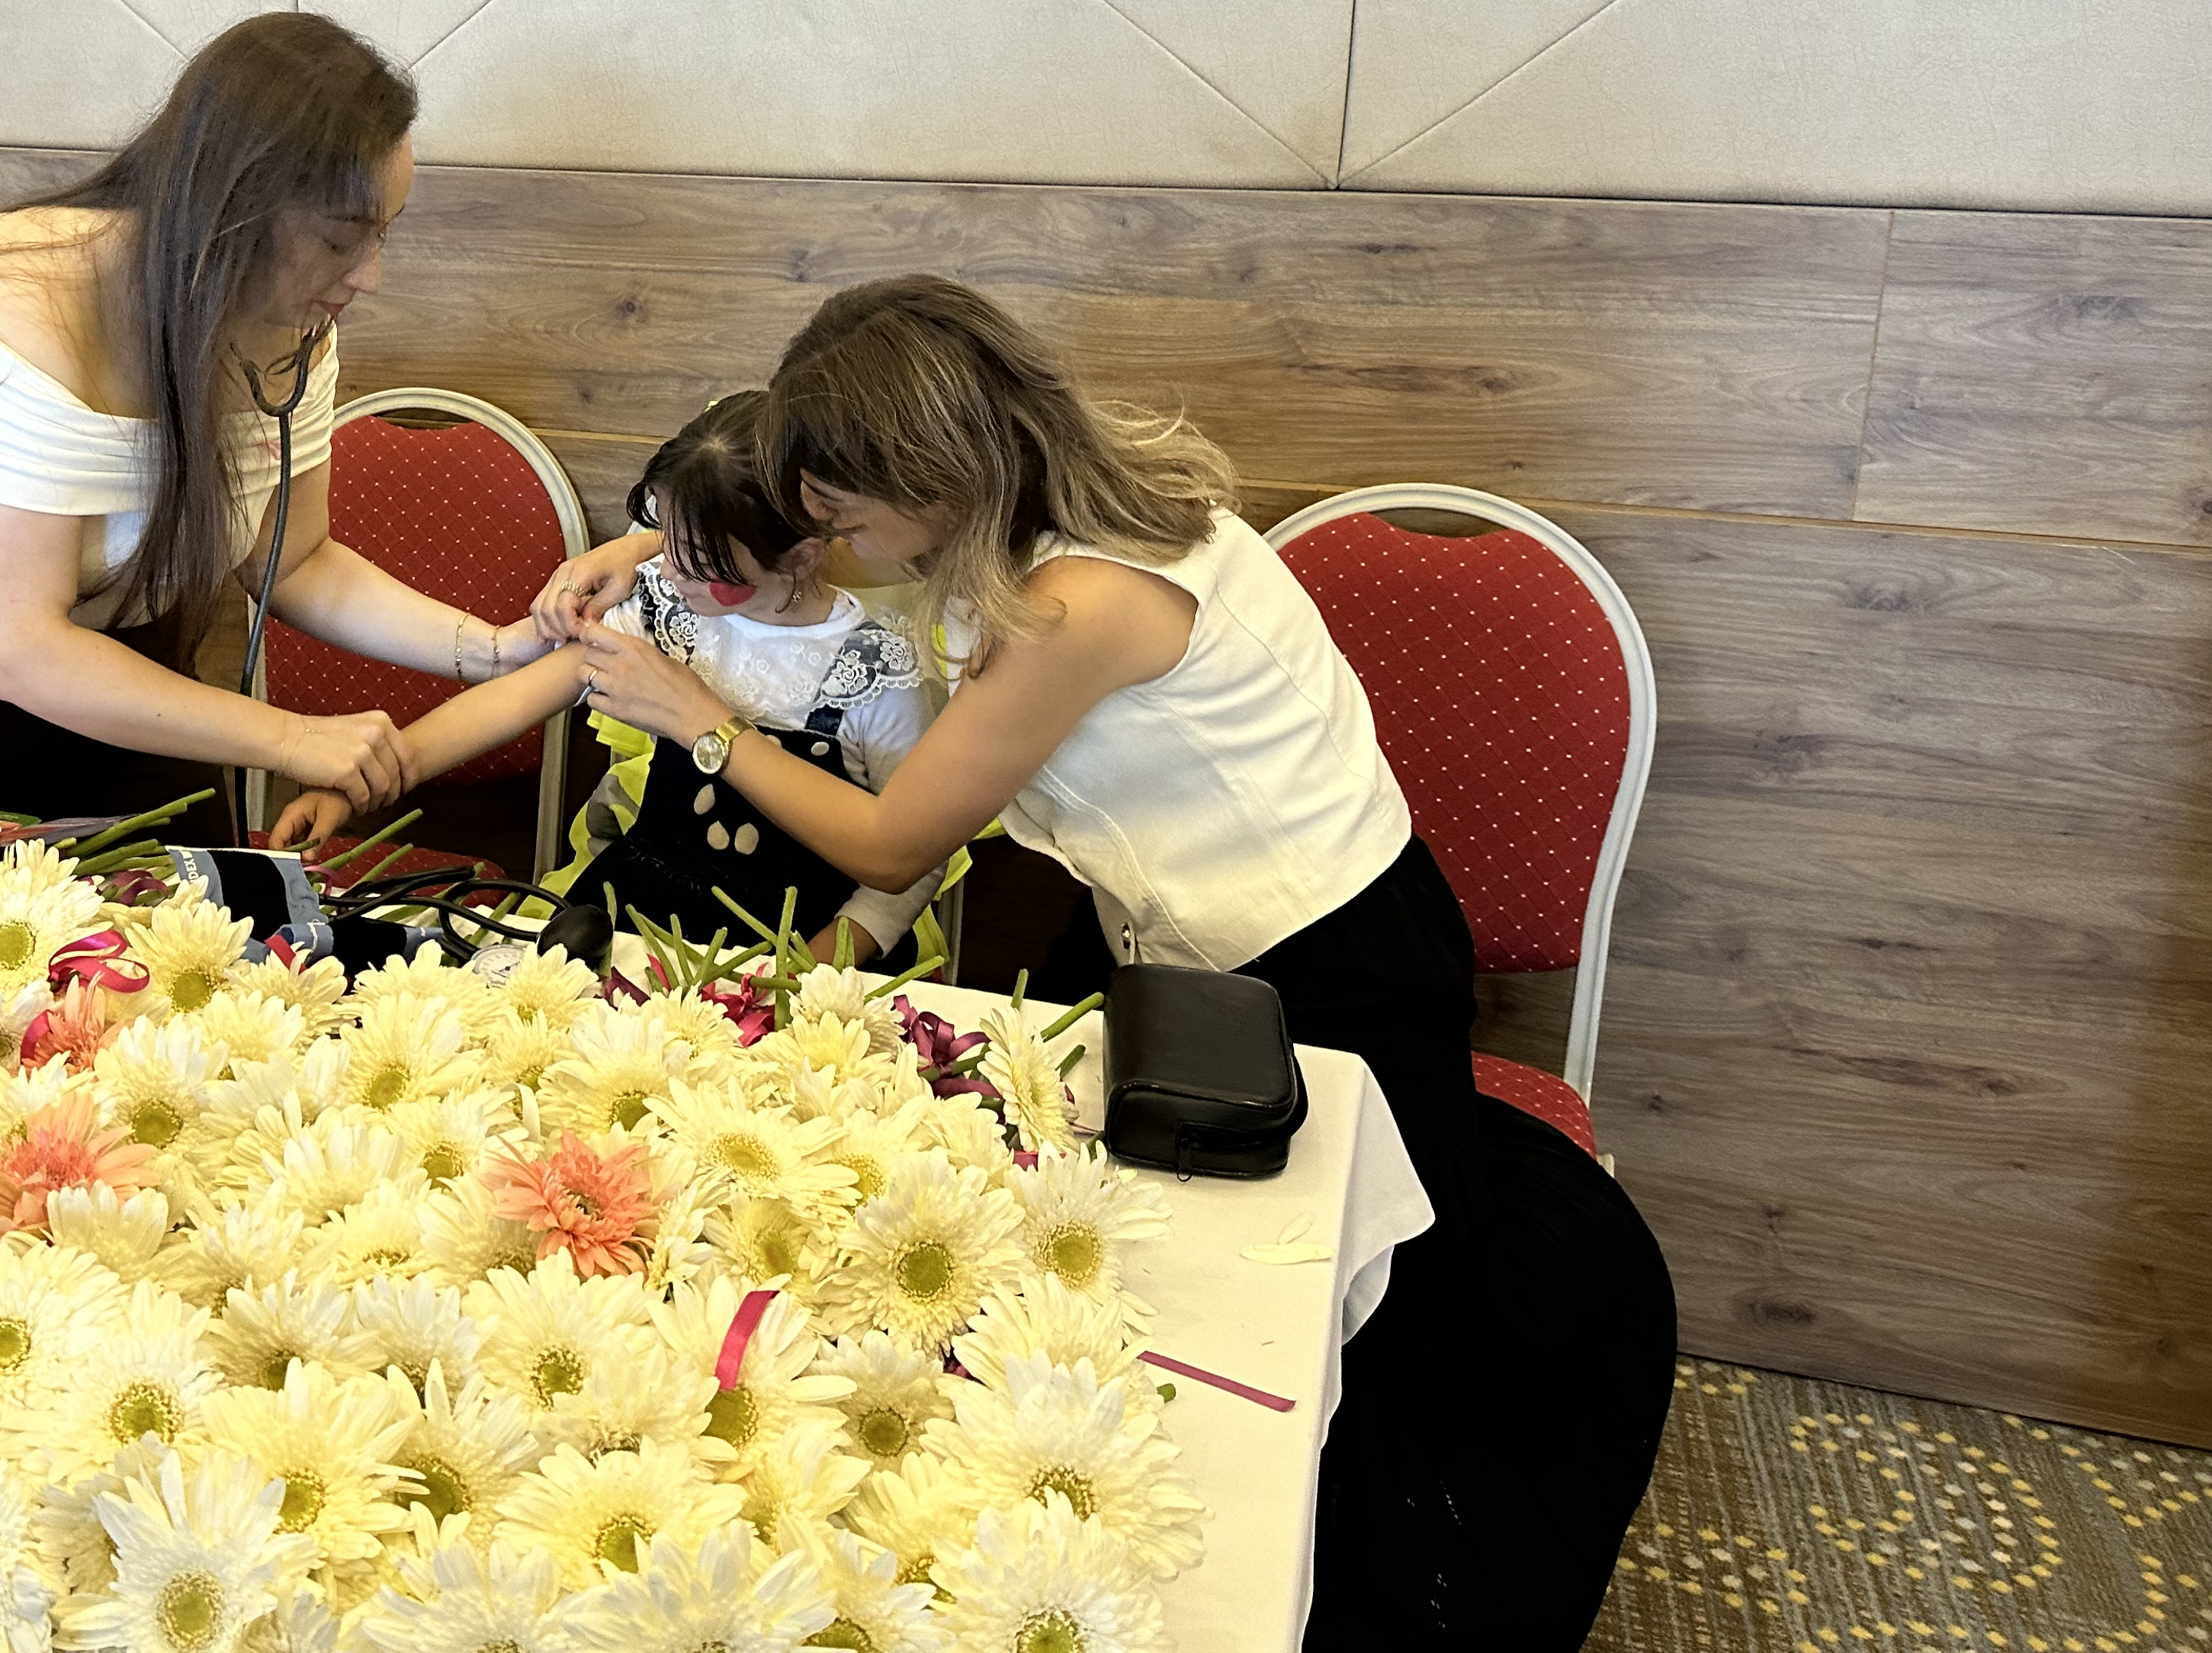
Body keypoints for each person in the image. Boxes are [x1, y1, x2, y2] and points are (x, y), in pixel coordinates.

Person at [552, 275, 1677, 1651]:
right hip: (1170, 937)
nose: (829, 545)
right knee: (1092, 1229)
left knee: (1312, 1318)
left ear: (932, 479)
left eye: (841, 515)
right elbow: (844, 562)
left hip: (1323, 961)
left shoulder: (1083, 601)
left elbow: (898, 838)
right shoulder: (1067, 491)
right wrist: (656, 550)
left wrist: (704, 721)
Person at [0, 12, 556, 827]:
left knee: (212, 914)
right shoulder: (14, 310)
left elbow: (296, 561)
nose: (369, 276)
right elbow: (16, 649)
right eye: (342, 241)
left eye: (384, 235)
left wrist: (491, 649)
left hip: (110, 689)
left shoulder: (289, 323)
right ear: (233, 211)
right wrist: (292, 738)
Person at [267, 391, 954, 966]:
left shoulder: (876, 674)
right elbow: (514, 697)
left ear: (802, 555)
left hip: (799, 946)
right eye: (665, 540)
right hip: (639, 913)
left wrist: (807, 973)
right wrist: (370, 778)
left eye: (702, 562)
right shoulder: (669, 607)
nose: (670, 573)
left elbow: (909, 865)